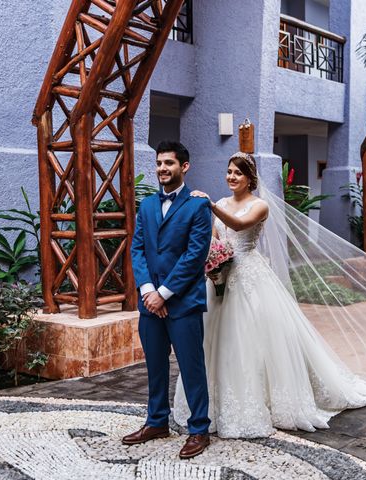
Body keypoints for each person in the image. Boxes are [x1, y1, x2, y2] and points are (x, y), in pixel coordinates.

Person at [173, 152, 366, 438]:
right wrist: (212, 260)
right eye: (228, 171)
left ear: (250, 178)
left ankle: (265, 402)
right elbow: (217, 240)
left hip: (250, 278)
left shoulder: (259, 206)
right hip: (221, 278)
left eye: (237, 173)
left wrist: (210, 205)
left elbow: (240, 226)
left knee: (251, 340)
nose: (231, 177)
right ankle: (210, 405)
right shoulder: (224, 202)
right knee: (214, 341)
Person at [125, 140, 213, 459]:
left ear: (184, 167)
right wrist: (148, 290)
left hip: (183, 302)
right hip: (150, 303)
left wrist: (164, 294)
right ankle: (156, 421)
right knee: (156, 366)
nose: (163, 168)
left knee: (191, 367)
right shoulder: (147, 205)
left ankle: (199, 429)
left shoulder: (198, 205)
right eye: (160, 163)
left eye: (169, 163)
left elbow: (194, 256)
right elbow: (138, 248)